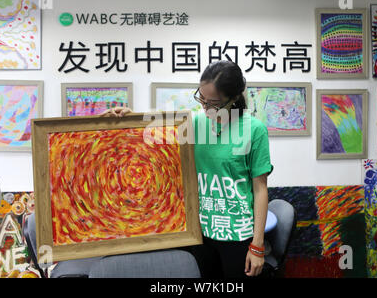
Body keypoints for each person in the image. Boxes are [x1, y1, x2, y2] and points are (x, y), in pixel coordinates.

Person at [101, 60, 273, 278]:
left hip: (238, 236)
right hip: (199, 233)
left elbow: (260, 190)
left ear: (234, 98)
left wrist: (257, 246)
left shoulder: (254, 130)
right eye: (202, 98)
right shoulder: (195, 123)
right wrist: (128, 117)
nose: (205, 107)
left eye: (213, 103)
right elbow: (155, 139)